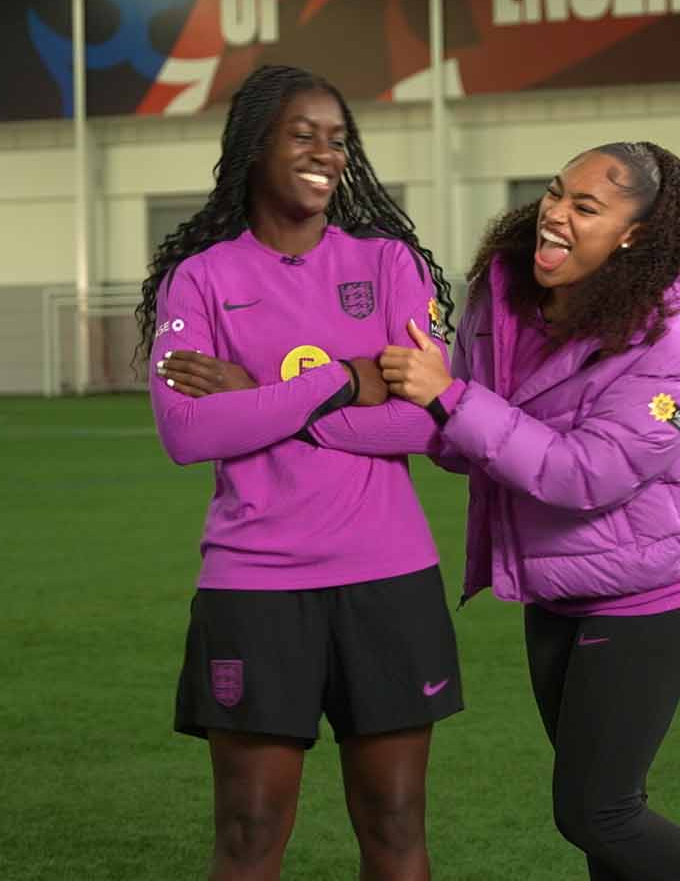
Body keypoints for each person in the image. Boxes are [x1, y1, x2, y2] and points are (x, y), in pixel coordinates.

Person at [371, 141, 680, 880]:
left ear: (634, 234)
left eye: (587, 207)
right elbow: (466, 435)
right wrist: (329, 398)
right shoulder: (501, 294)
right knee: (609, 821)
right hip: (556, 584)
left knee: (597, 813)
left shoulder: (671, 338)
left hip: (648, 589)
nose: (556, 215)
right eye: (555, 193)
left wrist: (448, 397)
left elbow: (585, 475)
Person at [133, 65, 463, 881]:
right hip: (255, 584)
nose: (326, 153)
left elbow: (423, 420)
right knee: (249, 831)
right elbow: (186, 430)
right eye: (302, 134)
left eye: (338, 139)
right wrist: (341, 380)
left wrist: (266, 401)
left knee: (394, 825)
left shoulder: (388, 265)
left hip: (387, 575)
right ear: (254, 148)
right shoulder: (203, 279)